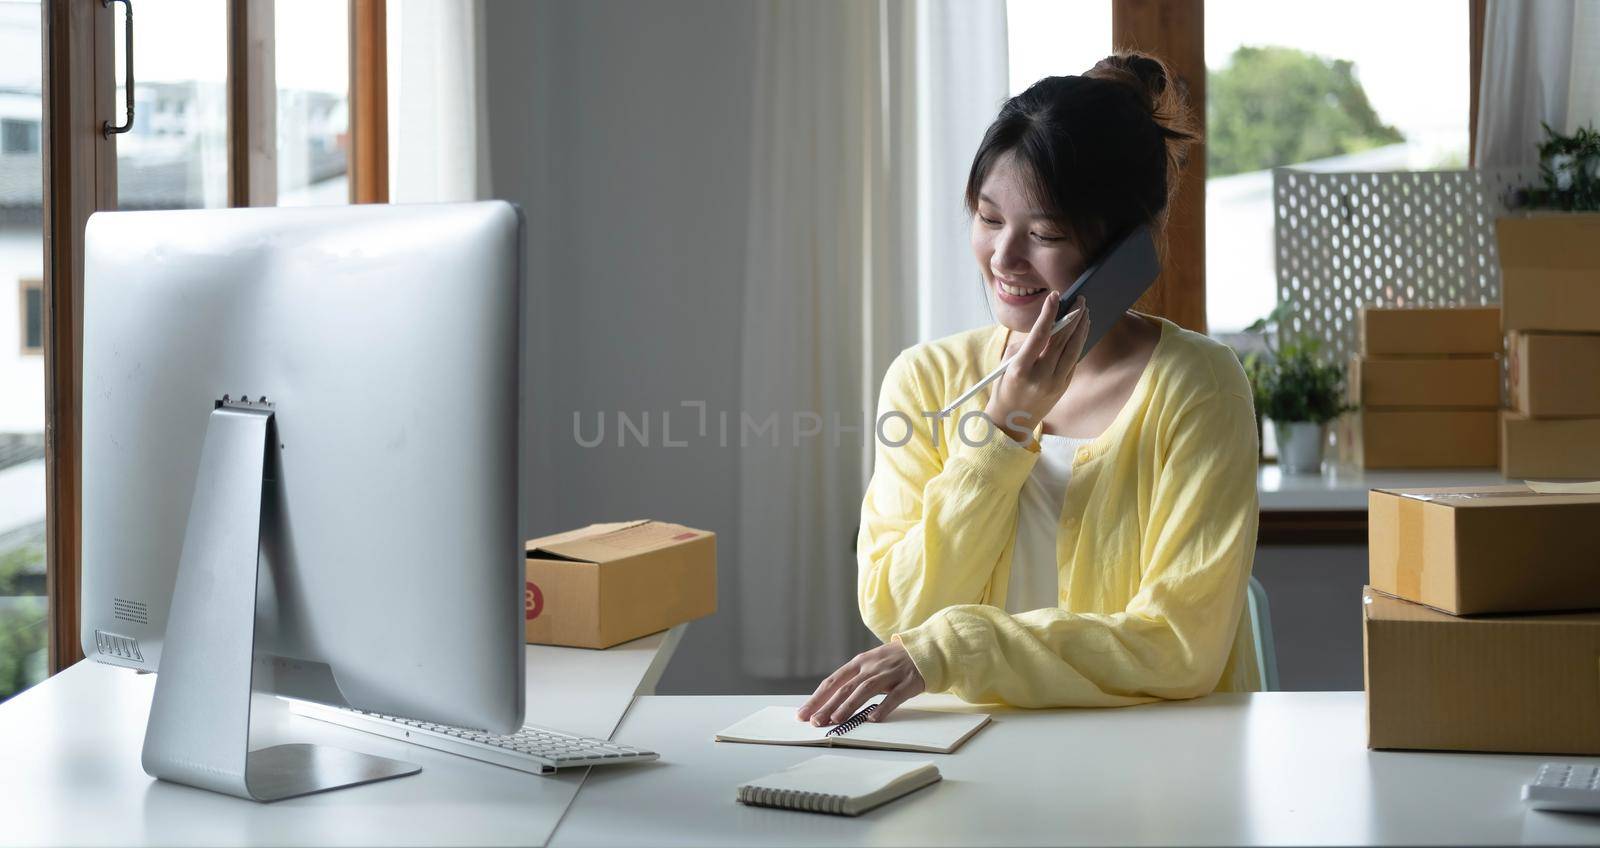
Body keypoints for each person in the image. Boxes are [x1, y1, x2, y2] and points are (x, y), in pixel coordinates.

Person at [798, 51, 1261, 726]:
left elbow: (1179, 646)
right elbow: (897, 610)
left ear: (1125, 250)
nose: (1004, 259)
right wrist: (1002, 430)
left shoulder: (1200, 386)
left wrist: (961, 647)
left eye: (1045, 233)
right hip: (970, 753)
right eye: (988, 219)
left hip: (1157, 767)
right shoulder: (926, 380)